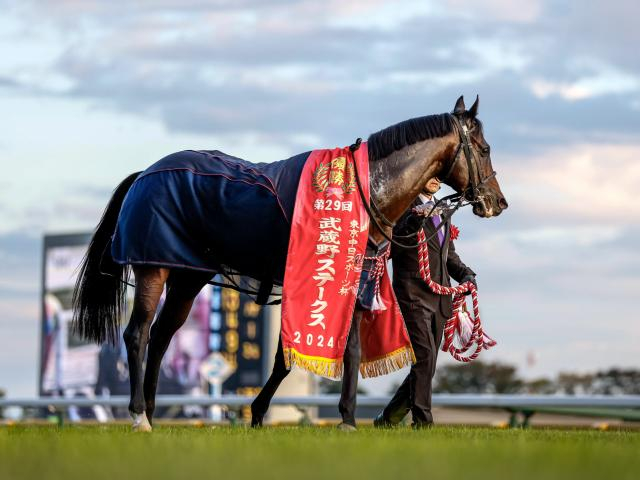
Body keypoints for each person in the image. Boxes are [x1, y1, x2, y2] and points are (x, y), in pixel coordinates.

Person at [374, 176, 476, 428]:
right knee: (424, 357)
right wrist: (413, 220)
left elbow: (448, 256)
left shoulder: (443, 211)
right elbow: (394, 246)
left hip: (440, 298)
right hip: (412, 295)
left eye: (439, 176)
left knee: (426, 365)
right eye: (430, 174)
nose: (435, 179)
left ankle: (388, 418)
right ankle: (423, 422)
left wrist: (466, 274)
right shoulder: (401, 207)